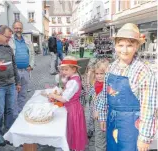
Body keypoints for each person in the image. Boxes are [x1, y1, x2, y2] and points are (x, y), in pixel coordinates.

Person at [97, 23, 157, 151]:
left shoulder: (143, 71)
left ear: (137, 46)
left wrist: (144, 137)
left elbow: (149, 107)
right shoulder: (112, 67)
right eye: (120, 45)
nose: (124, 50)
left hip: (132, 126)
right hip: (112, 121)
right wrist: (102, 114)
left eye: (129, 45)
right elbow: (104, 94)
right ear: (115, 45)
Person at [0, 25, 21, 146]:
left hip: (10, 84)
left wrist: (17, 82)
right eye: (7, 37)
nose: (9, 39)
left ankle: (8, 132)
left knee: (10, 110)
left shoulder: (8, 47)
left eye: (10, 37)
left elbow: (14, 65)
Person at [47, 56, 88, 150]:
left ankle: (72, 146)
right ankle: (71, 145)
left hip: (72, 108)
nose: (64, 72)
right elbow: (67, 91)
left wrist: (53, 95)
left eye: (66, 69)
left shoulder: (73, 82)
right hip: (73, 106)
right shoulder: (73, 77)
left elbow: (64, 99)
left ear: (74, 69)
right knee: (72, 129)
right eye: (62, 69)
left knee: (72, 128)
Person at [9, 21, 35, 118]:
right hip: (14, 72)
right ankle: (15, 116)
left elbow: (32, 54)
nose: (18, 30)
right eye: (16, 28)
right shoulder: (10, 40)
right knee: (14, 95)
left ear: (22, 29)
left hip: (25, 71)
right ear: (13, 28)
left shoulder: (27, 40)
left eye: (20, 28)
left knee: (23, 94)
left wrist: (31, 65)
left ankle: (21, 113)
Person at [87, 59, 109, 151]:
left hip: (103, 116)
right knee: (100, 138)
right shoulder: (96, 83)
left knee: (100, 140)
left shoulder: (107, 85)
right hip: (97, 117)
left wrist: (97, 110)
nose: (99, 76)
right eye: (97, 74)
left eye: (102, 73)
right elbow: (90, 92)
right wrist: (89, 75)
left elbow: (104, 100)